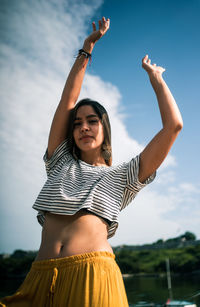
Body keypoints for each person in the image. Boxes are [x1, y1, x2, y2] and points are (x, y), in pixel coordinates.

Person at [0, 17, 183, 307]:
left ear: (104, 128)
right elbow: (67, 102)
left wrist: (156, 78)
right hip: (39, 278)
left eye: (92, 121)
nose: (84, 127)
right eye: (78, 124)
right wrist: (87, 48)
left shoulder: (124, 176)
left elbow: (173, 126)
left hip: (94, 276)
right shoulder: (60, 162)